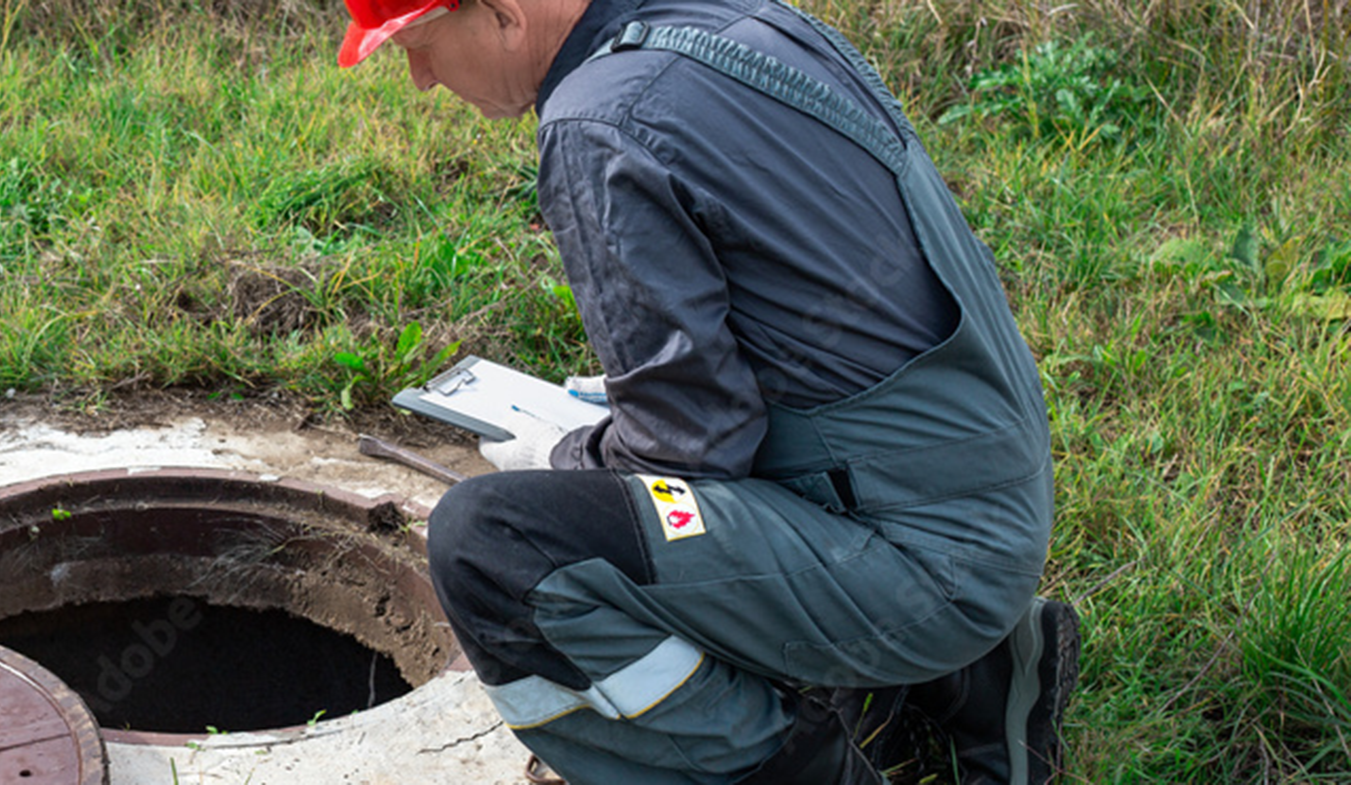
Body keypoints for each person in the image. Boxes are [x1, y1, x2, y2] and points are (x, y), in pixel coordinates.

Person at [335, 0, 1081, 782]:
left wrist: (564, 456)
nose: (420, 80)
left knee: (495, 546)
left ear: (501, 13)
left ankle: (803, 758)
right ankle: (975, 675)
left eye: (418, 46)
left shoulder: (596, 121)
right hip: (985, 488)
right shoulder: (722, 22)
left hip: (925, 567)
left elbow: (686, 449)